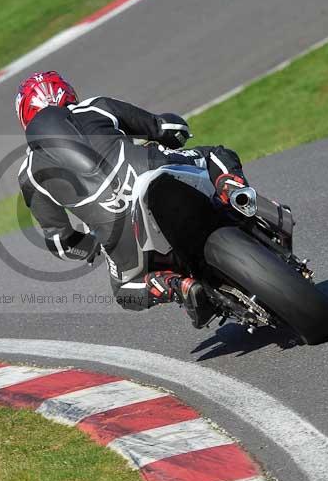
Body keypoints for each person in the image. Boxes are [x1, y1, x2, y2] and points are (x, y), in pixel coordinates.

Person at [15, 71, 249, 327]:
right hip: (157, 174)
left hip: (119, 235)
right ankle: (235, 193)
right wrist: (176, 133)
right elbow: (165, 127)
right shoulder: (96, 107)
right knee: (216, 154)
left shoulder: (28, 174)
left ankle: (170, 284)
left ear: (25, 116)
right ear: (67, 94)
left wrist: (93, 245)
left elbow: (61, 243)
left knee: (125, 291)